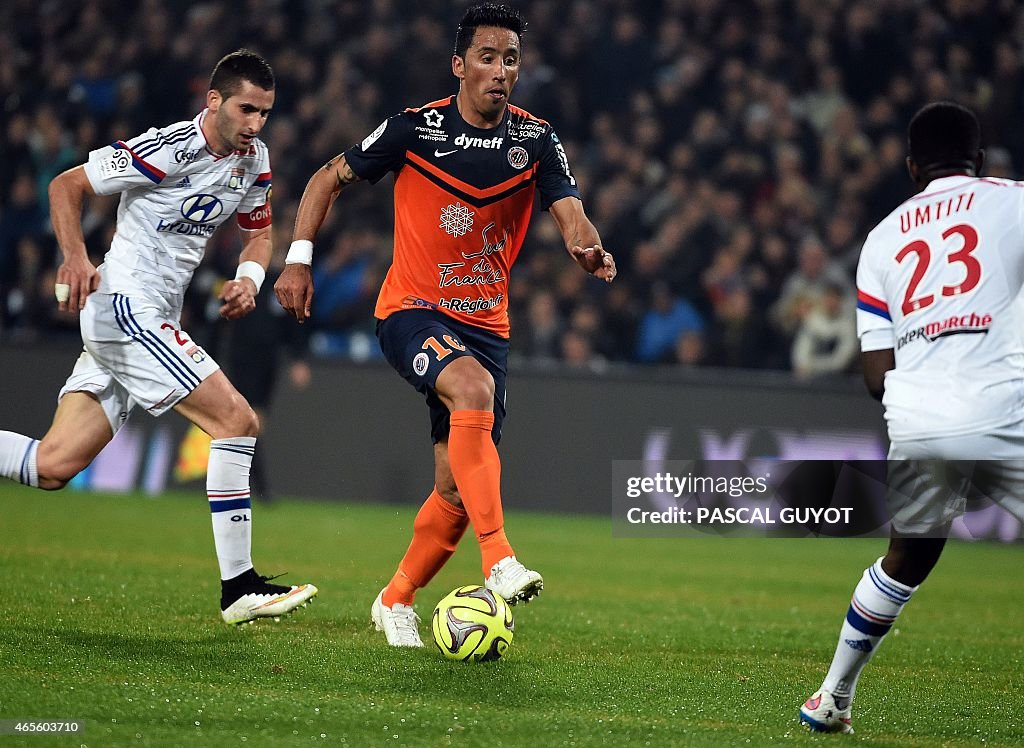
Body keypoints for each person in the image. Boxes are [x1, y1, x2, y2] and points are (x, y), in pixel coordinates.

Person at [275, 3, 615, 647]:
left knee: (455, 489)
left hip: (487, 326)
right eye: (487, 57)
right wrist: (297, 260)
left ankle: (395, 598)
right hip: (411, 309)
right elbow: (328, 178)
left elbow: (570, 210)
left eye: (510, 59)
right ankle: (501, 560)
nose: (500, 71)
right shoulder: (414, 129)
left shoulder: (537, 140)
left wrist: (586, 246)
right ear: (459, 65)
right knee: (472, 391)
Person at [0, 50, 317, 625]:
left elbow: (259, 233)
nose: (256, 124)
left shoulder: (255, 160)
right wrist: (74, 257)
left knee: (52, 466)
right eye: (247, 109)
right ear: (214, 101)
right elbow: (65, 185)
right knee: (238, 420)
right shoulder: (167, 150)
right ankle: (239, 586)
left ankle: (240, 586)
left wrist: (248, 280)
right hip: (125, 308)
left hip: (145, 316)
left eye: (265, 113)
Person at [798, 101, 1024, 733]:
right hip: (1009, 409)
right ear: (981, 161)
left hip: (920, 418)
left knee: (908, 556)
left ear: (909, 167)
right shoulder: (1014, 200)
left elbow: (876, 376)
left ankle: (831, 696)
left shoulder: (882, 238)